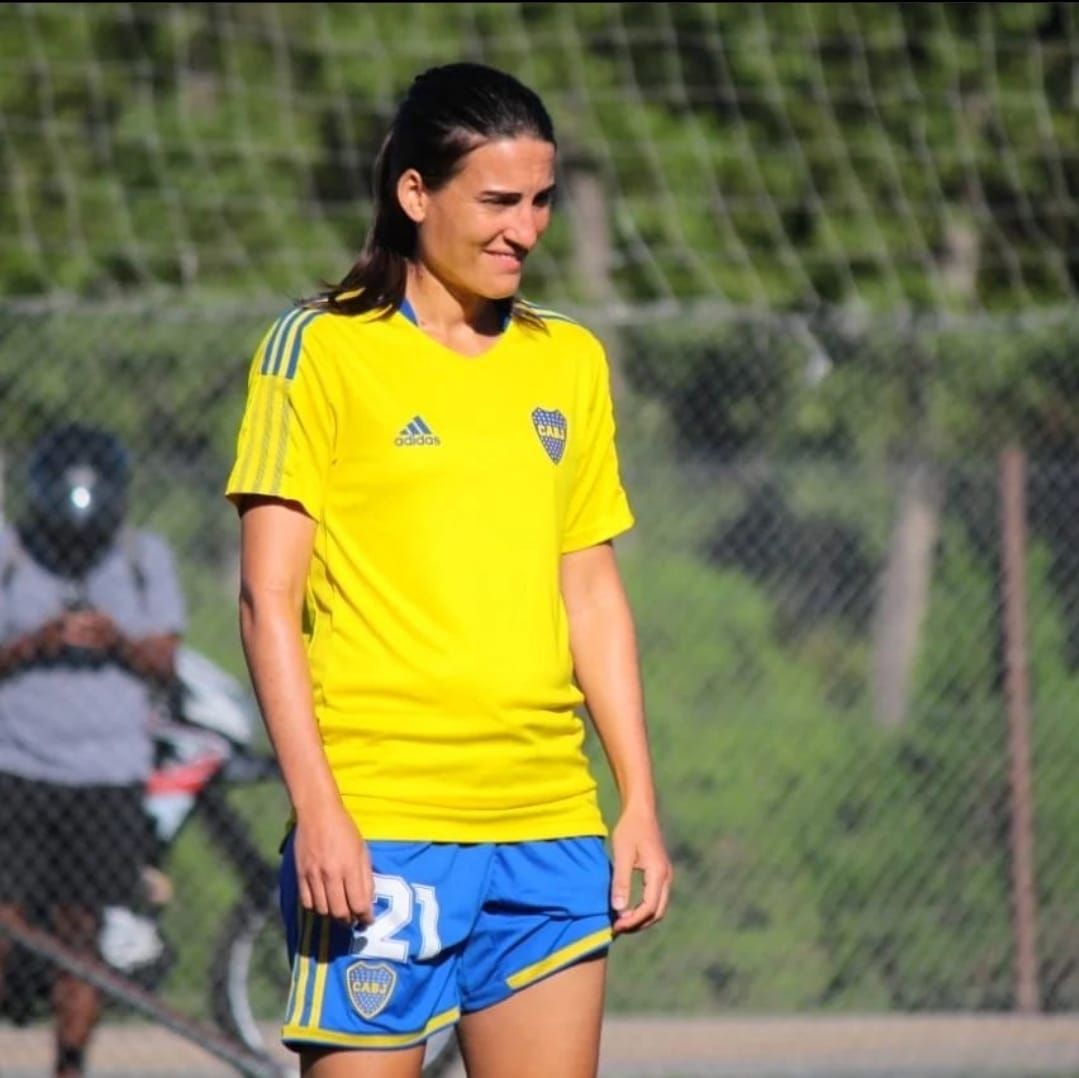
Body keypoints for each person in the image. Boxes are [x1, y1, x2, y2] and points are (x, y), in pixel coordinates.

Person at [225, 61, 672, 1078]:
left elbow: (591, 594)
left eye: (542, 200)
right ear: (414, 194)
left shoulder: (569, 361)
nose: (526, 228)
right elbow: (267, 601)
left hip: (548, 829)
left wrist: (636, 796)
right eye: (498, 201)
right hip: (381, 830)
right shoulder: (319, 350)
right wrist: (321, 809)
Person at [0, 424, 185, 1078]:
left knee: (83, 936)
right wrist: (35, 642)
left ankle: (68, 1066)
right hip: (17, 766)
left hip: (107, 774)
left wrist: (117, 642)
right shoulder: (10, 552)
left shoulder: (142, 555)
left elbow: (165, 660)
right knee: (7, 922)